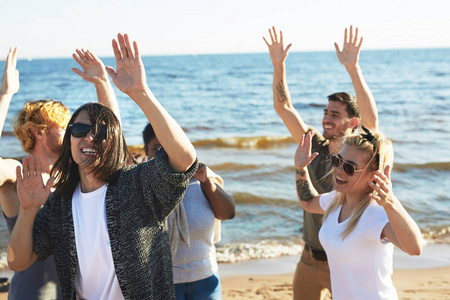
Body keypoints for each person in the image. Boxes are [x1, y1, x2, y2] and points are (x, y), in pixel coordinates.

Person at [7, 33, 197, 300]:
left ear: (114, 141)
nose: (89, 137)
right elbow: (18, 262)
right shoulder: (59, 204)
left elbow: (184, 159)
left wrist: (140, 93)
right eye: (80, 129)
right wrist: (27, 211)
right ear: (70, 138)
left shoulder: (138, 185)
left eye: (100, 131)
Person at [263, 26, 378, 299]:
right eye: (325, 112)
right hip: (309, 257)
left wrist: (354, 69)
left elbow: (372, 122)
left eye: (334, 114)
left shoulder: (360, 152)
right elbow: (284, 107)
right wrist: (278, 65)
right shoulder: (312, 143)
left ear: (352, 123)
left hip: (346, 260)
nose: (326, 118)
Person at [0, 46, 118, 299]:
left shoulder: (76, 175)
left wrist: (101, 82)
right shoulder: (16, 173)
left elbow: (112, 143)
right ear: (39, 131)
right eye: (65, 126)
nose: (73, 133)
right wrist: (6, 94)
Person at [294, 129, 422, 300]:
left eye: (349, 167)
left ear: (374, 175)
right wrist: (301, 169)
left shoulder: (376, 213)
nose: (338, 169)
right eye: (336, 160)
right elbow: (308, 202)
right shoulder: (336, 200)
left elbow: (414, 248)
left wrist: (391, 202)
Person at [142, 123, 235, 300]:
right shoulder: (141, 182)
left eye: (169, 146)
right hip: (161, 283)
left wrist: (206, 181)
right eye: (156, 148)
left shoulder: (200, 176)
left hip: (205, 280)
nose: (164, 153)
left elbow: (227, 213)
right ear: (146, 150)